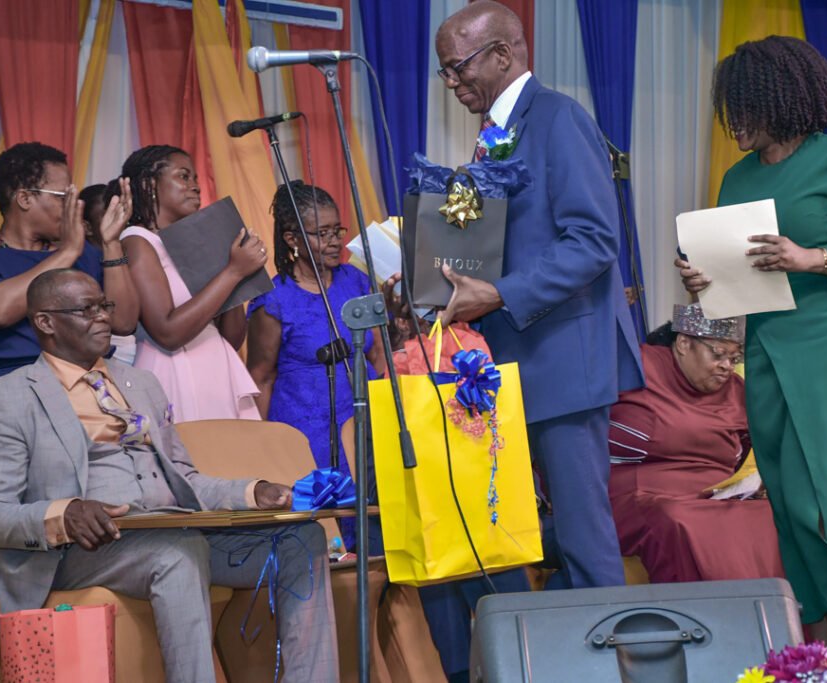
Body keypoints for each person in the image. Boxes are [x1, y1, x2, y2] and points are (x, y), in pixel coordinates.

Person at [0, 269, 338, 683]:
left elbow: (185, 478)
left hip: (173, 530)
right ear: (45, 322)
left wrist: (255, 491)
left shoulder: (140, 382)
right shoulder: (8, 395)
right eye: (86, 309)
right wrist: (63, 513)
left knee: (300, 540)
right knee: (176, 551)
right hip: (81, 552)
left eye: (104, 306)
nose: (103, 317)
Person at [676, 36, 827, 652]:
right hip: (770, 346)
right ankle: (824, 643)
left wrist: (810, 257)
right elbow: (736, 282)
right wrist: (704, 280)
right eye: (729, 109)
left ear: (780, 100)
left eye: (744, 107)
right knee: (790, 498)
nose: (735, 123)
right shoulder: (736, 177)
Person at [418, 0, 643, 590]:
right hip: (505, 363)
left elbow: (594, 241)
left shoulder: (557, 118)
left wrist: (495, 292)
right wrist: (424, 277)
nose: (451, 82)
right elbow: (491, 240)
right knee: (505, 530)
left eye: (458, 66)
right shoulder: (492, 136)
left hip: (562, 360)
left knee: (581, 537)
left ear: (502, 54)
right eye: (444, 71)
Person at [246, 182, 384, 549]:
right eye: (322, 233)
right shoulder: (274, 299)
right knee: (330, 541)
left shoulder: (357, 281)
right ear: (292, 238)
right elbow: (261, 376)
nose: (336, 241)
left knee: (378, 534)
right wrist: (263, 449)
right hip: (307, 433)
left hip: (365, 424)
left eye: (337, 230)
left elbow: (377, 355)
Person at [608, 304, 784, 583]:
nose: (727, 366)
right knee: (679, 519)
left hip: (716, 495)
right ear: (684, 343)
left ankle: (768, 621)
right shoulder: (636, 367)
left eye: (734, 357)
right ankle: (710, 620)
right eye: (718, 354)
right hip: (641, 494)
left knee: (770, 517)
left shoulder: (737, 390)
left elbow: (761, 450)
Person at [0, 142, 139, 383]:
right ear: (24, 198)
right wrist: (66, 254)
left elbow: (123, 323)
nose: (74, 207)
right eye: (64, 197)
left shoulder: (84, 252)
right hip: (16, 386)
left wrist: (111, 243)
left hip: (92, 382)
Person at [118, 145, 266, 422]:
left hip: (216, 370)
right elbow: (168, 333)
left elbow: (232, 339)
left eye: (196, 179)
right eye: (184, 177)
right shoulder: (137, 241)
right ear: (150, 185)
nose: (195, 187)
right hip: (175, 373)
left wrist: (229, 270)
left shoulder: (191, 245)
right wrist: (232, 272)